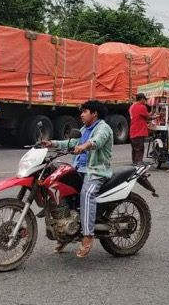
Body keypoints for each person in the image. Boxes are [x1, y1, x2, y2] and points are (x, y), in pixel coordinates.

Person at [41, 100, 113, 258]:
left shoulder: (103, 128)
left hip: (96, 172)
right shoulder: (84, 129)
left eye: (84, 111)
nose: (81, 115)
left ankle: (88, 236)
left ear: (94, 113)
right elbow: (71, 143)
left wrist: (85, 146)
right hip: (79, 169)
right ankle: (66, 231)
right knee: (58, 188)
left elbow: (97, 141)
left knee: (86, 195)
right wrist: (50, 143)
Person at [128, 93, 152, 166]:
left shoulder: (132, 106)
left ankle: (134, 162)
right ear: (142, 99)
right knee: (140, 148)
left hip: (133, 131)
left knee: (134, 149)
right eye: (144, 99)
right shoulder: (142, 107)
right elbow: (148, 117)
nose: (145, 101)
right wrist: (154, 115)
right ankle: (139, 163)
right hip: (139, 131)